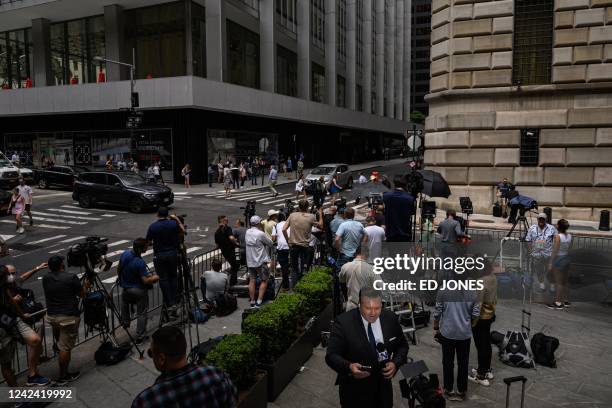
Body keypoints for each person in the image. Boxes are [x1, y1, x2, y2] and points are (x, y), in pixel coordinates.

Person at [326, 288, 409, 408]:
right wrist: (349, 367)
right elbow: (331, 355)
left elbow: (402, 346)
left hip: (383, 392)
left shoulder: (390, 318)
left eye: (377, 308)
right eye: (368, 308)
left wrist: (395, 363)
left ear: (382, 304)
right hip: (355, 393)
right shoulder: (343, 323)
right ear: (359, 305)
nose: (373, 313)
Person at [132, 327, 237, 407]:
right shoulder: (215, 376)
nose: (151, 357)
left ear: (161, 358)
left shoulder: (146, 401)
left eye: (151, 353)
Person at [2, 264, 51, 386]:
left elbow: (23, 277)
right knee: (6, 364)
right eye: (8, 274)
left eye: (13, 273)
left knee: (35, 340)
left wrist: (36, 269)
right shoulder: (4, 288)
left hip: (16, 320)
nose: (11, 277)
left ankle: (33, 373)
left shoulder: (8, 286)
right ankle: (17, 397)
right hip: (3, 327)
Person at [42, 255, 88, 384]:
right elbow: (82, 294)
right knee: (65, 347)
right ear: (62, 265)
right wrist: (86, 285)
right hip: (67, 317)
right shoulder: (70, 277)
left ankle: (58, 350)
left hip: (52, 317)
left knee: (61, 343)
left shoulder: (46, 278)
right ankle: (63, 375)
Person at [433, 281, 481, 401]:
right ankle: (461, 391)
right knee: (463, 363)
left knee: (448, 362)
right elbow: (476, 314)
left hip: (447, 333)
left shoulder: (443, 289)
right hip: (464, 334)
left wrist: (436, 327)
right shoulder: (472, 291)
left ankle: (448, 390)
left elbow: (438, 311)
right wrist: (468, 325)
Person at [118, 238, 160, 344]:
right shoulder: (139, 262)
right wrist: (155, 277)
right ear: (141, 248)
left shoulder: (125, 254)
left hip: (126, 289)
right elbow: (145, 280)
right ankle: (140, 335)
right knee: (141, 313)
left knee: (124, 304)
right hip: (138, 291)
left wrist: (122, 279)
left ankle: (125, 322)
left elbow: (119, 268)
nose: (147, 248)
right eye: (146, 246)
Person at [146, 208, 185, 315]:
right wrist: (176, 218)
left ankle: (169, 302)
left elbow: (148, 242)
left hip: (159, 255)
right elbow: (183, 230)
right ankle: (174, 299)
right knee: (173, 277)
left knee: (163, 279)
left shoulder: (153, 226)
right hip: (172, 253)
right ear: (168, 215)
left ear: (158, 214)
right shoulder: (173, 224)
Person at [468, 259, 497, 387]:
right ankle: (486, 369)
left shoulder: (481, 281)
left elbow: (478, 304)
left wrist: (472, 322)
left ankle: (480, 375)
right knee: (486, 343)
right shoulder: (493, 278)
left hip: (481, 318)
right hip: (490, 314)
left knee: (481, 345)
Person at [283, 200, 324, 286]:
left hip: (293, 245)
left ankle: (294, 288)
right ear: (307, 207)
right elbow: (321, 226)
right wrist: (320, 214)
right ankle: (303, 285)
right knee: (304, 267)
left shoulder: (292, 215)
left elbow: (283, 229)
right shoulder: (311, 217)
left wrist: (288, 241)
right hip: (305, 245)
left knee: (294, 268)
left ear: (299, 207)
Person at [524, 213, 557, 293]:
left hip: (548, 253)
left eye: (543, 219)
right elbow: (528, 240)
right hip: (536, 254)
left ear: (546, 220)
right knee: (539, 270)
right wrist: (530, 251)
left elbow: (556, 239)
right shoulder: (532, 228)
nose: (541, 221)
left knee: (550, 270)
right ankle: (542, 285)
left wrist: (554, 251)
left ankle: (552, 285)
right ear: (537, 219)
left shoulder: (551, 228)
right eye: (540, 219)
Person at [246, 215, 274, 308]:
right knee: (264, 280)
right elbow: (270, 243)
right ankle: (259, 301)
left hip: (250, 261)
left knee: (252, 280)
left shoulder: (248, 232)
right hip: (260, 261)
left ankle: (252, 301)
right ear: (258, 223)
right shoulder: (260, 233)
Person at [339, 244, 376, 311]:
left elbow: (342, 285)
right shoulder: (372, 269)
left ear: (356, 253)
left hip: (350, 307)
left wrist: (347, 299)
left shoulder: (345, 267)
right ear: (367, 254)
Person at [547, 219, 573, 310]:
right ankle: (566, 301)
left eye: (557, 224)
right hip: (566, 258)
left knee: (558, 282)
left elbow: (555, 250)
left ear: (559, 226)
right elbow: (570, 249)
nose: (555, 225)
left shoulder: (558, 237)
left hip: (559, 259)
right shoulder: (570, 236)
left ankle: (558, 303)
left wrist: (550, 262)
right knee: (565, 282)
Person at [383, 175, 415, 242]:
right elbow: (412, 212)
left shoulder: (386, 196)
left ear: (394, 184)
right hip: (404, 233)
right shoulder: (410, 198)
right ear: (405, 184)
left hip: (390, 232)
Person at [214, 215, 239, 286]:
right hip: (231, 251)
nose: (227, 220)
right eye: (226, 220)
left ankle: (233, 282)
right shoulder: (227, 228)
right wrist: (236, 242)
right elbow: (231, 238)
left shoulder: (217, 232)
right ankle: (232, 285)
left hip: (225, 253)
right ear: (221, 220)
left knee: (234, 266)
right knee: (235, 267)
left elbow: (217, 245)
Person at [272, 213, 291, 290]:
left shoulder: (276, 226)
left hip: (281, 248)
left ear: (277, 219)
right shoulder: (289, 224)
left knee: (284, 267)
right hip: (290, 246)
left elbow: (273, 238)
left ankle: (286, 285)